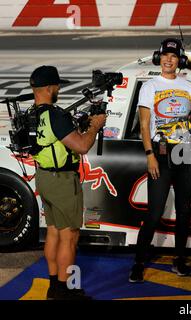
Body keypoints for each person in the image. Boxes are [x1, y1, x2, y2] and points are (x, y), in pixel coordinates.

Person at [30, 65, 106, 300]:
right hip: (62, 180)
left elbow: (56, 141)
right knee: (69, 236)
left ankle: (54, 285)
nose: (59, 89)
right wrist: (95, 127)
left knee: (52, 232)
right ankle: (63, 290)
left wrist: (79, 128)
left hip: (43, 177)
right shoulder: (55, 115)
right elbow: (82, 146)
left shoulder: (32, 114)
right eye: (57, 85)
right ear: (50, 87)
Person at [129, 38, 191, 283]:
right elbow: (145, 126)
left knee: (183, 211)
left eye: (174, 56)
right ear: (159, 58)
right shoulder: (149, 87)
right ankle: (138, 262)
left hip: (185, 153)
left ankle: (179, 260)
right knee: (155, 212)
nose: (169, 60)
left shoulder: (190, 87)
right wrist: (150, 156)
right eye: (165, 55)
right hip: (160, 153)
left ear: (179, 60)